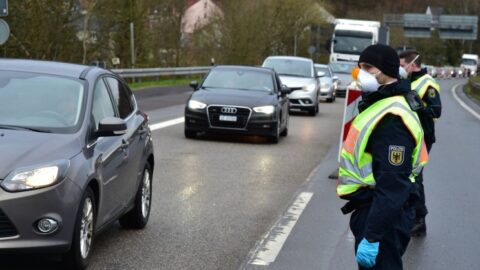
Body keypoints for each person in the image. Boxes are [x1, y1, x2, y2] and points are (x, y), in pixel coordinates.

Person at [337, 44, 429, 269]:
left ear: (387, 70)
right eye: (360, 67)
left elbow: (393, 186)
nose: (362, 73)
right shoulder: (380, 104)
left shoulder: (392, 119)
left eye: (368, 67)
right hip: (376, 210)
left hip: (384, 216)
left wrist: (372, 236)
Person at [399, 50, 442, 237]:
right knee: (408, 174)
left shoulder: (428, 84)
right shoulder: (408, 80)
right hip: (409, 135)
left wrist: (419, 105)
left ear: (412, 64)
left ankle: (419, 220)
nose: (400, 69)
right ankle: (410, 215)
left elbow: (436, 111)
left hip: (423, 136)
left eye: (402, 65)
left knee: (415, 176)